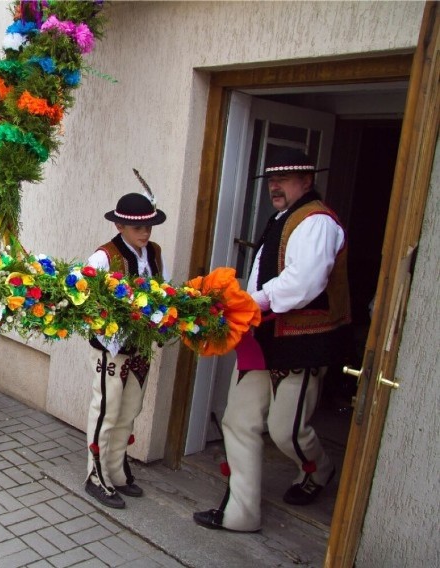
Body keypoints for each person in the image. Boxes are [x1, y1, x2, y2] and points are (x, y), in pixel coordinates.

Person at [193, 147, 351, 532]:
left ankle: (319, 470)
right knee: (238, 421)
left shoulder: (318, 222)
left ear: (307, 180)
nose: (274, 186)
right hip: (263, 340)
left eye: (285, 178)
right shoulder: (281, 219)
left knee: (286, 430)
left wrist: (244, 303)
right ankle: (240, 513)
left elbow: (303, 283)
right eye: (271, 180)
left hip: (302, 343)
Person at [83, 181, 167, 509]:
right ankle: (94, 474)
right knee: (106, 408)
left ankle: (115, 469)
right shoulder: (103, 257)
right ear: (119, 226)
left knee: (130, 409)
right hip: (110, 348)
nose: (144, 232)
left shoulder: (155, 253)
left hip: (140, 346)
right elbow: (85, 300)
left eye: (148, 225)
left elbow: (163, 291)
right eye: (137, 227)